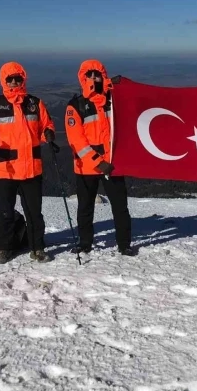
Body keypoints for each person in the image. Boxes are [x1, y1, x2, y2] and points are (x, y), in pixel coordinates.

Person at [0, 62, 56, 263]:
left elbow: (47, 125)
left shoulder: (35, 103)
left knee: (34, 212)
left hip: (31, 168)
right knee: (5, 212)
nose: (13, 82)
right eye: (9, 79)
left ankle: (37, 247)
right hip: (5, 169)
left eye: (17, 78)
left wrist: (49, 133)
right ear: (4, 80)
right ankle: (4, 248)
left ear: (23, 79)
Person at [65, 59, 133, 256]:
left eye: (97, 74)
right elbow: (77, 141)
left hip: (112, 164)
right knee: (85, 208)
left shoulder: (114, 99)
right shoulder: (76, 105)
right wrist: (98, 162)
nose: (93, 78)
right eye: (89, 75)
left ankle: (124, 244)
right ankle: (85, 243)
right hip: (88, 166)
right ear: (82, 77)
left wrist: (123, 86)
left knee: (120, 206)